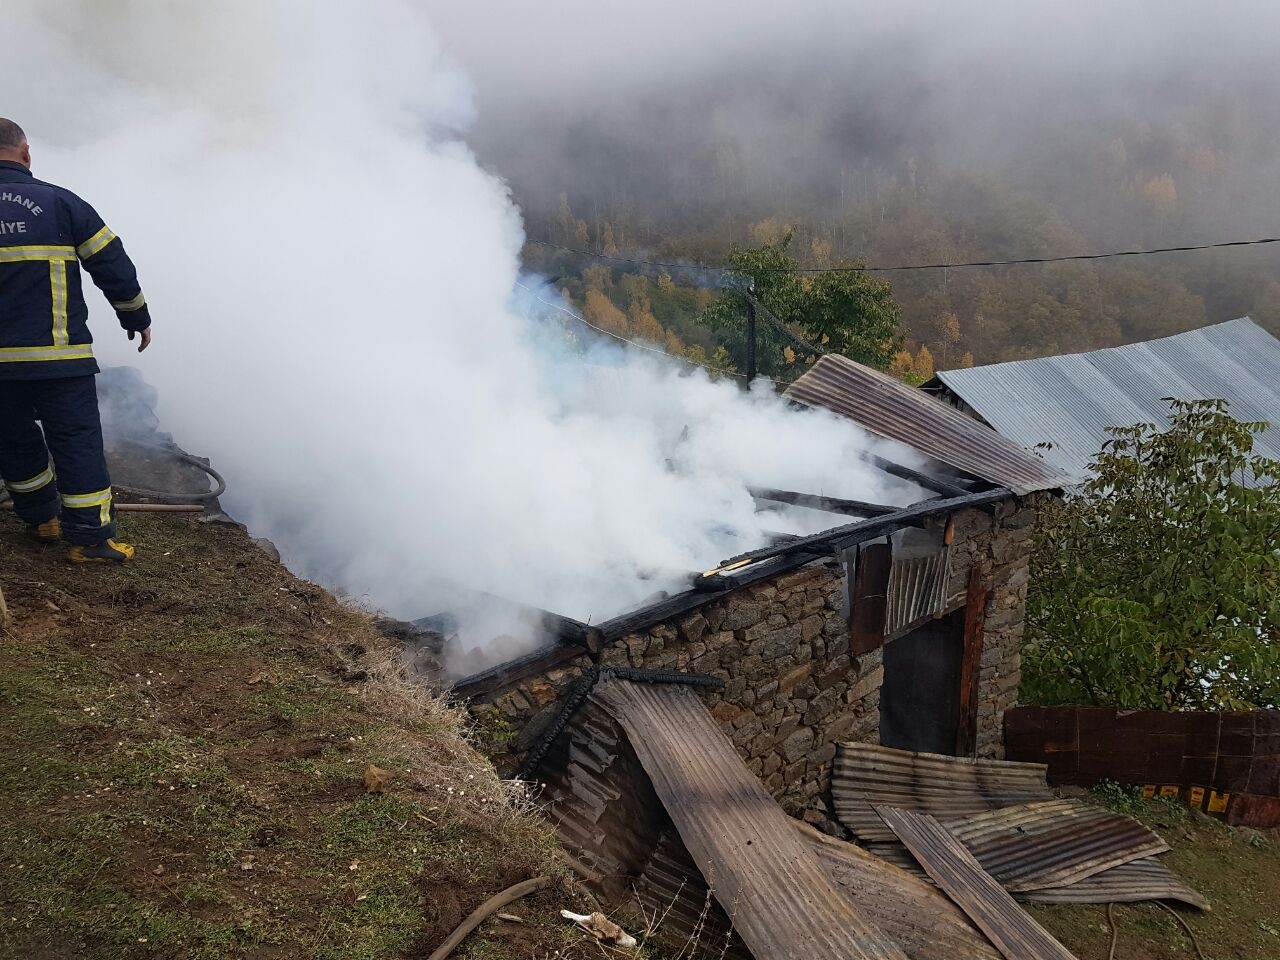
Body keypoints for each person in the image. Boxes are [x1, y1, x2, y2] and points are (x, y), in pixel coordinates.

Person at [0, 118, 152, 562]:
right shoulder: (60, 203)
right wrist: (135, 315)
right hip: (59, 361)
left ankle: (42, 519)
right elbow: (111, 264)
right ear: (25, 153)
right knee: (76, 440)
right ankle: (88, 541)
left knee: (13, 439)